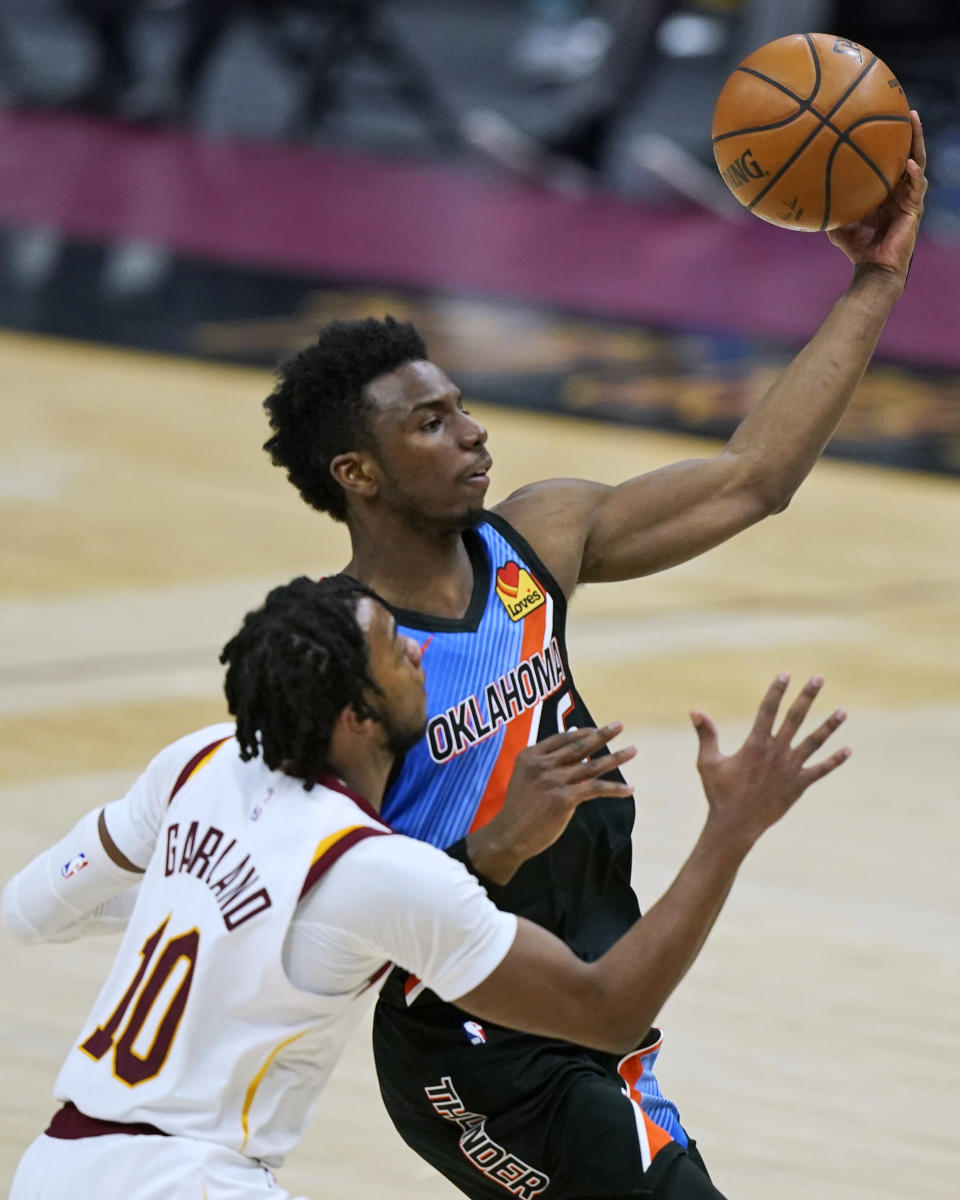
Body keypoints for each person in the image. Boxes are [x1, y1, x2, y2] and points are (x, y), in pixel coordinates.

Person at [260, 117, 926, 1200]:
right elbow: (317, 915)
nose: (474, 433)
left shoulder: (538, 539)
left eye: (462, 406)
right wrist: (493, 849)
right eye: (431, 424)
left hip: (594, 1000)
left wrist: (873, 285)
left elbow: (751, 479)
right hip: (473, 1050)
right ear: (359, 474)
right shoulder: (341, 652)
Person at [3, 576, 848, 1199]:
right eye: (394, 651)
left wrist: (197, 909)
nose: (419, 651)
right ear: (357, 717)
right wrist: (731, 830)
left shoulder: (197, 760)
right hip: (191, 1182)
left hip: (54, 1167)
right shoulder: (377, 871)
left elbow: (32, 912)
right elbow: (607, 1010)